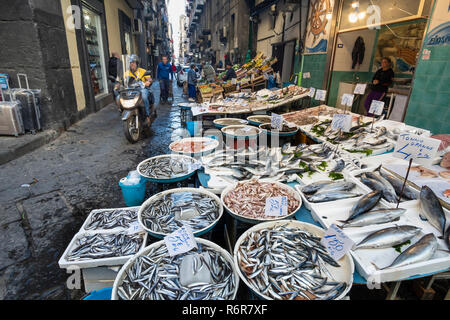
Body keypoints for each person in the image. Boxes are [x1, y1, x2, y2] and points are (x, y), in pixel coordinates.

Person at [125, 54, 153, 125]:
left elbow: (149, 79)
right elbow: (124, 81)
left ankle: (147, 116)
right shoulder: (127, 73)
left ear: (137, 63)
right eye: (130, 63)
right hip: (131, 90)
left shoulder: (142, 71)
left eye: (133, 62)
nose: (132, 64)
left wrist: (148, 82)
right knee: (120, 97)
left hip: (141, 89)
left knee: (144, 96)